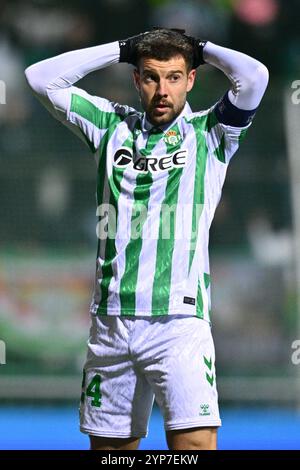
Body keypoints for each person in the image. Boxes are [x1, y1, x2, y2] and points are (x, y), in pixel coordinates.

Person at [25, 28, 268, 451]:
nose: (162, 89)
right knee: (111, 455)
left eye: (174, 77)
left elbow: (255, 76)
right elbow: (40, 77)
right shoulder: (108, 124)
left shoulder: (210, 132)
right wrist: (121, 48)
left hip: (178, 322)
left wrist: (201, 49)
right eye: (151, 76)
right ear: (136, 79)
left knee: (193, 448)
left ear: (191, 80)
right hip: (111, 321)